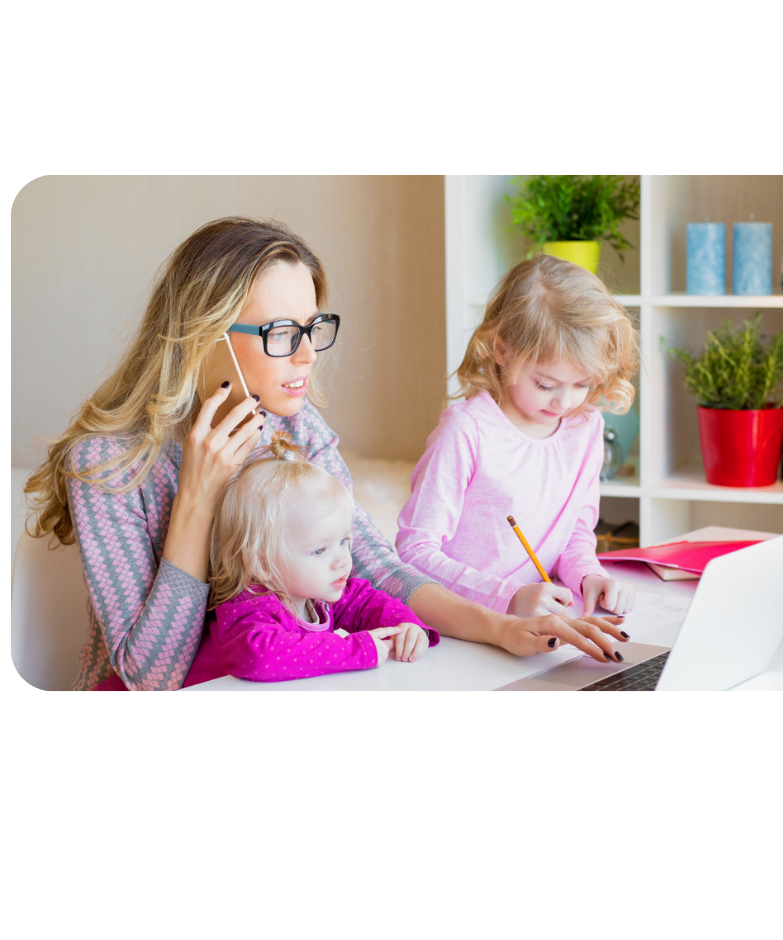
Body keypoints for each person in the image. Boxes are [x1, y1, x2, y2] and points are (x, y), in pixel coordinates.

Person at [24, 218, 626, 692]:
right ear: (201, 337)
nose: (308, 355)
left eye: (313, 329)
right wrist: (198, 498)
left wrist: (505, 628)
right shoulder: (107, 462)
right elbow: (153, 677)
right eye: (282, 334)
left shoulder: (296, 426)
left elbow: (378, 566)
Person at [396, 254, 638, 625]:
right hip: (467, 625)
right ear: (502, 349)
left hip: (538, 622)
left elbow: (574, 534)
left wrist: (590, 576)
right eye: (546, 384)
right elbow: (414, 553)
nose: (565, 401)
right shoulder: (467, 432)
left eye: (583, 384)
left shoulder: (585, 425)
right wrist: (508, 598)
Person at [177, 431, 436, 687]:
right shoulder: (248, 608)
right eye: (320, 551)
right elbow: (259, 658)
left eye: (344, 541)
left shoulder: (316, 592)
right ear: (263, 563)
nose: (343, 561)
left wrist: (407, 627)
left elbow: (369, 602)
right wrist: (356, 649)